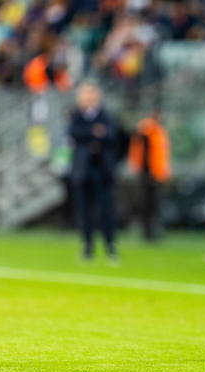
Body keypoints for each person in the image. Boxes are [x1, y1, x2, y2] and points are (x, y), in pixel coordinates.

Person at [69, 82, 118, 261]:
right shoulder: (76, 115)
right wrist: (94, 132)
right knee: (84, 210)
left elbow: (111, 135)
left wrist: (91, 134)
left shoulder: (105, 115)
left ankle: (110, 245)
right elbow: (75, 133)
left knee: (106, 209)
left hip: (102, 169)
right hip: (83, 170)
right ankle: (87, 246)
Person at [128, 108, 172, 241]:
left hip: (155, 172)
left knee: (153, 203)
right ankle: (147, 231)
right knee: (149, 203)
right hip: (149, 172)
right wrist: (151, 171)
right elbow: (147, 154)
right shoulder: (148, 131)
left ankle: (151, 230)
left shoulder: (156, 131)